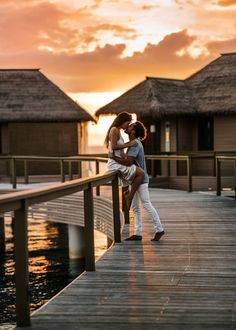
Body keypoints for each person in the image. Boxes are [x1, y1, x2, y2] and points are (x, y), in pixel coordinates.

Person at [112, 121, 165, 241]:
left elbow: (129, 162)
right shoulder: (133, 143)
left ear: (134, 131)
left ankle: (159, 229)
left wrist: (114, 158)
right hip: (134, 179)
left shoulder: (135, 144)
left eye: (130, 126)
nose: (128, 126)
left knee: (146, 204)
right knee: (135, 207)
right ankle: (138, 233)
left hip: (140, 180)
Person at [105, 112, 145, 210]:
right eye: (128, 122)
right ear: (123, 121)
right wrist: (129, 145)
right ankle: (129, 196)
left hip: (118, 161)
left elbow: (120, 150)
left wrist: (127, 151)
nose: (128, 125)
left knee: (140, 173)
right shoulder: (114, 130)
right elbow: (114, 146)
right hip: (114, 163)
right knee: (141, 173)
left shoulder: (118, 131)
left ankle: (128, 195)